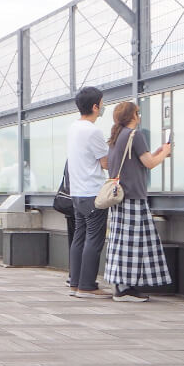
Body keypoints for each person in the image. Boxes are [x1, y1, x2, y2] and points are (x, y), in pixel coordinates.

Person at [103, 101, 173, 302]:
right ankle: (125, 289)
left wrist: (158, 151)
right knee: (133, 244)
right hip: (133, 196)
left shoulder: (117, 137)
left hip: (119, 198)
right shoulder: (135, 135)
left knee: (120, 242)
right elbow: (149, 163)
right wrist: (165, 153)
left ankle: (121, 285)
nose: (139, 116)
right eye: (138, 113)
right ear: (133, 115)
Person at [67, 86, 110, 298]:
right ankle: (87, 286)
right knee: (94, 239)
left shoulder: (74, 127)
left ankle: (75, 282)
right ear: (95, 106)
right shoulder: (93, 131)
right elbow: (105, 162)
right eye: (102, 103)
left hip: (77, 192)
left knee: (79, 237)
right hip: (93, 192)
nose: (103, 107)